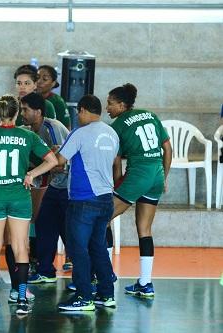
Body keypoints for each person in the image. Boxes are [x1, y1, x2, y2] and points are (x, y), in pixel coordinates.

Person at [0, 94, 57, 315]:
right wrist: (31, 174)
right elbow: (52, 160)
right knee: (20, 247)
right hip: (19, 197)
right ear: (16, 113)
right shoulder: (27, 135)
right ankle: (22, 299)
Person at [106, 83, 172, 298]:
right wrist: (165, 176)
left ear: (122, 105)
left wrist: (116, 186)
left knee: (102, 218)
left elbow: (116, 162)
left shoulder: (118, 126)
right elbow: (167, 148)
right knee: (144, 229)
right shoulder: (150, 114)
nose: (108, 108)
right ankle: (145, 283)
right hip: (157, 174)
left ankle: (104, 275)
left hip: (138, 174)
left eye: (111, 104)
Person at [57, 95, 119, 311]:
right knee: (98, 247)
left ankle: (83, 297)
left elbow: (59, 160)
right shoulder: (111, 133)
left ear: (82, 110)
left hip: (83, 199)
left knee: (78, 248)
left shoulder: (80, 133)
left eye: (78, 113)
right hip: (106, 199)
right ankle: (106, 293)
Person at [18, 92, 70, 284]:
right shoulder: (29, 131)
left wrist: (32, 171)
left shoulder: (52, 127)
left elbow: (58, 162)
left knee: (67, 229)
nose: (22, 113)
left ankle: (88, 273)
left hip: (65, 184)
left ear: (38, 112)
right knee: (44, 223)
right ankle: (45, 269)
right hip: (51, 185)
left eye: (25, 109)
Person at [36, 65, 71, 129]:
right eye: (37, 77)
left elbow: (66, 127)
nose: (39, 81)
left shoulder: (58, 102)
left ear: (53, 83)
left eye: (45, 79)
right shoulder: (29, 98)